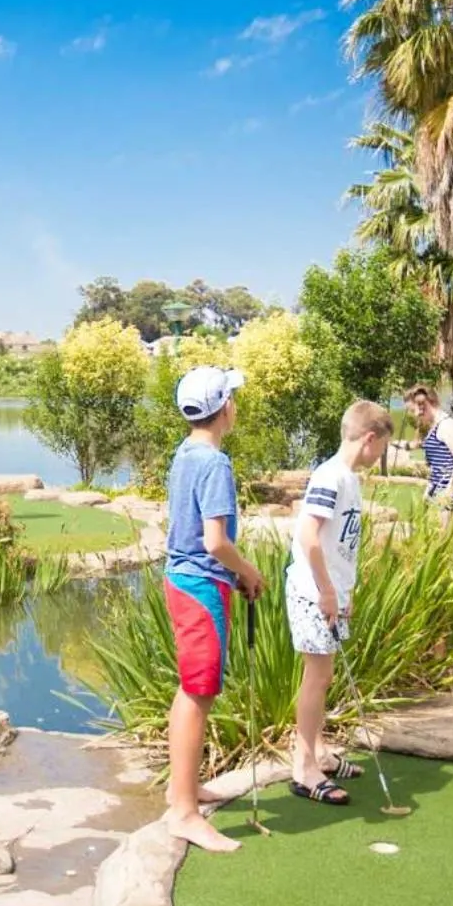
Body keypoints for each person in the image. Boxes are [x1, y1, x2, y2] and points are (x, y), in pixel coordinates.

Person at [162, 365, 264, 854]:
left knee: (189, 691)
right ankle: (184, 812)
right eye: (234, 399)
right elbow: (216, 541)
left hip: (181, 580)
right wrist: (248, 572)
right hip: (202, 584)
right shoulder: (215, 464)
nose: (236, 406)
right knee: (199, 693)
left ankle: (181, 789)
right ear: (224, 409)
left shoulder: (184, 454)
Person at [286, 400, 391, 806]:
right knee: (317, 677)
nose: (380, 455)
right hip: (314, 593)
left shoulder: (348, 478)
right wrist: (327, 590)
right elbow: (308, 536)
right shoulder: (330, 477)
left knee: (324, 676)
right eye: (381, 446)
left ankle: (321, 753)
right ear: (369, 438)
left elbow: (338, 544)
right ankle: (304, 768)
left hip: (332, 593)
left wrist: (343, 591)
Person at [405, 385, 453, 516]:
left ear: (421, 406)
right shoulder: (435, 426)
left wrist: (449, 492)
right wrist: (429, 490)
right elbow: (439, 463)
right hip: (441, 490)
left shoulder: (447, 426)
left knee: (445, 536)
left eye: (412, 410)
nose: (414, 415)